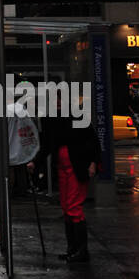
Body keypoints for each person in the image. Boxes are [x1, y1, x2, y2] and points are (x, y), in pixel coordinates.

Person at [43, 107, 102, 264]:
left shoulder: (76, 116)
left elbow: (92, 140)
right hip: (65, 167)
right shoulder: (55, 118)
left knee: (73, 207)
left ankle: (80, 250)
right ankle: (74, 249)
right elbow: (48, 143)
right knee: (67, 207)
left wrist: (93, 162)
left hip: (77, 167)